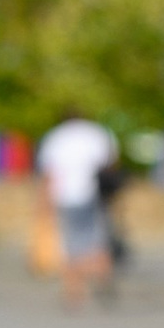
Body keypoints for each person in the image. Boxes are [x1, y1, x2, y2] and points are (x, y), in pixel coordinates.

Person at [36, 110, 117, 302]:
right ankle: (102, 276)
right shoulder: (97, 133)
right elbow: (110, 165)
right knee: (97, 240)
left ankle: (73, 292)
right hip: (93, 194)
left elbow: (49, 174)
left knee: (70, 245)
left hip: (66, 196)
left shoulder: (55, 137)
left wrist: (44, 203)